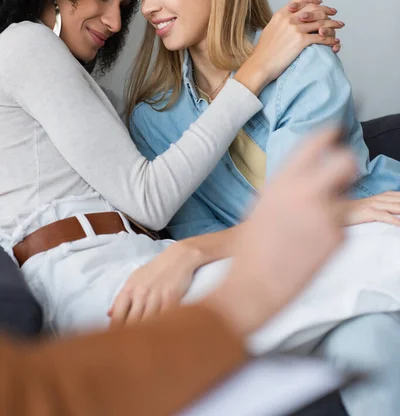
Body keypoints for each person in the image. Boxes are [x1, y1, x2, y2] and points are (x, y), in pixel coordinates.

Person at [0, 0, 342, 338]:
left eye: (125, 4)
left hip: (139, 262)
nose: (118, 23)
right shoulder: (23, 44)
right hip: (91, 275)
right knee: (324, 299)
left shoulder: (107, 98)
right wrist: (258, 68)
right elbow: (151, 198)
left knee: (325, 300)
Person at [126, 0, 400, 415]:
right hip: (271, 279)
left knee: (367, 346)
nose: (150, 7)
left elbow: (290, 216)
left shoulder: (305, 64)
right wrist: (195, 249)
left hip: (364, 243)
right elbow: (195, 231)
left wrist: (193, 254)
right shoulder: (153, 118)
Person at [0, 129, 354, 416]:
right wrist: (236, 297)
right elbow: (41, 392)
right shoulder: (147, 116)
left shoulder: (117, 109)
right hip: (94, 274)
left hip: (152, 255)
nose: (115, 35)